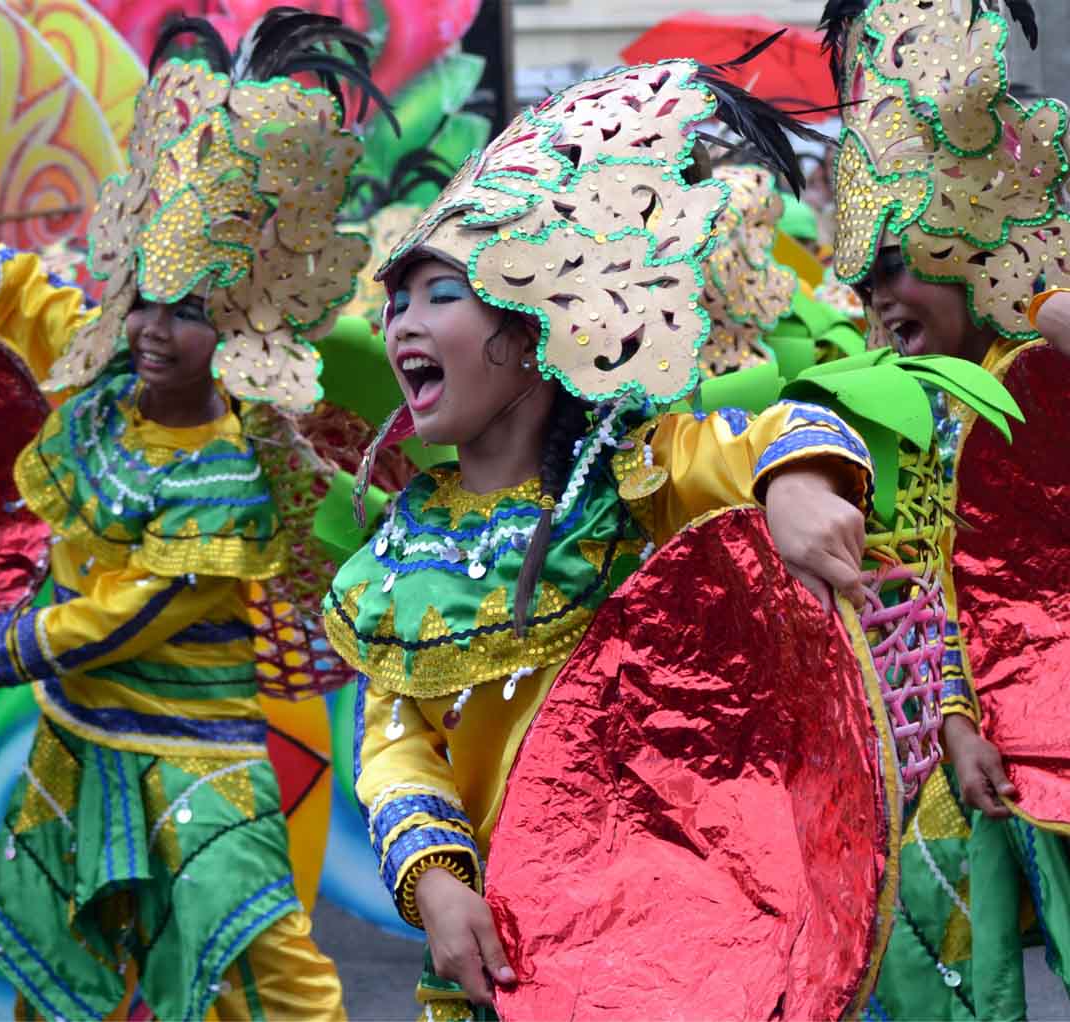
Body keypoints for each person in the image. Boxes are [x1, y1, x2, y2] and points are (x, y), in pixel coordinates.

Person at [323, 61, 884, 1018]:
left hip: (677, 938)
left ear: (536, 323)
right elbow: (396, 741)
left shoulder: (636, 474)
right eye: (397, 301)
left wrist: (794, 486)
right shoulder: (401, 553)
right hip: (500, 953)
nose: (402, 323)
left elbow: (778, 432)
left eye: (439, 294)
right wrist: (438, 881)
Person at [0, 12, 386, 1019]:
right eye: (143, 298)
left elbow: (124, 617)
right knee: (60, 964)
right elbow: (26, 297)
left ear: (232, 326)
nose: (150, 327)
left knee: (260, 955)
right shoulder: (98, 378)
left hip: (195, 750)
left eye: (185, 311)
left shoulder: (222, 470)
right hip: (79, 736)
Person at [822, 0, 1070, 1015]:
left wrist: (1031, 291)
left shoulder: (1039, 381)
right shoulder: (859, 401)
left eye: (905, 260)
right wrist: (958, 716)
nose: (879, 294)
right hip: (930, 762)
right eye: (864, 270)